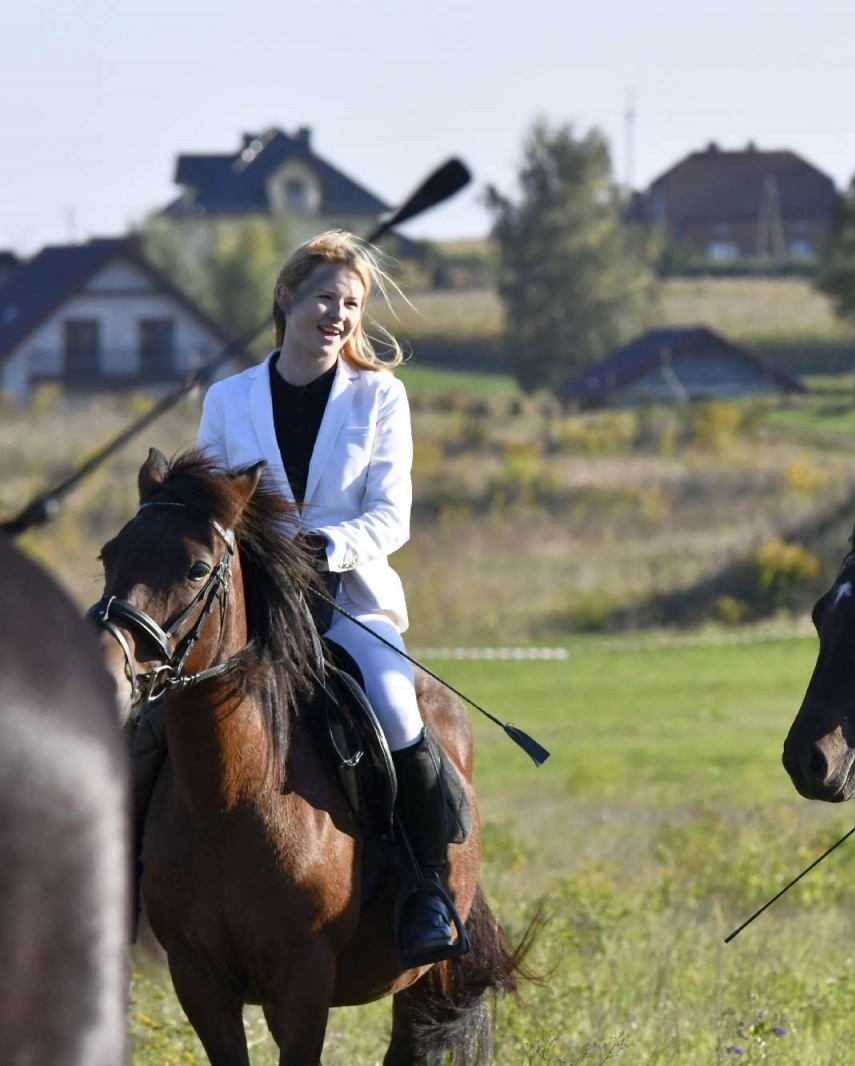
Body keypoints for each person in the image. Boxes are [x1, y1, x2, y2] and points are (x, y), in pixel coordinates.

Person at [192, 230, 462, 967]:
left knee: (402, 716)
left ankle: (427, 890)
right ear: (286, 297)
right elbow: (213, 507)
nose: (337, 314)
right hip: (251, 606)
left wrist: (326, 547)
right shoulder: (229, 398)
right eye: (323, 298)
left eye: (350, 303)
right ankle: (130, 876)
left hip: (351, 602)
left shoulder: (380, 396)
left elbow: (390, 515)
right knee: (160, 713)